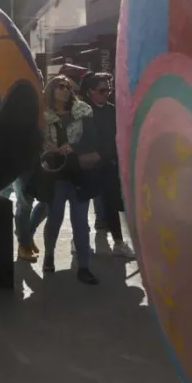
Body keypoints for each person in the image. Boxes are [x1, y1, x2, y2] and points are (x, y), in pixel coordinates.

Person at [34, 75, 101, 285]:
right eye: (60, 87)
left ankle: (84, 267)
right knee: (54, 218)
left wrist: (73, 147)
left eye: (68, 87)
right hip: (55, 173)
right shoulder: (44, 116)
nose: (65, 90)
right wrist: (46, 146)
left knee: (80, 222)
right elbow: (35, 140)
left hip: (78, 171)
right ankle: (49, 255)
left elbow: (92, 139)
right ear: (51, 91)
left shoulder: (83, 110)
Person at [80, 73, 136, 259]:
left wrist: (101, 155)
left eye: (108, 89)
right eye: (102, 90)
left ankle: (118, 242)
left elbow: (117, 139)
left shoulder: (113, 111)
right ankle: (80, 241)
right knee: (80, 203)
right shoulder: (81, 111)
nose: (107, 93)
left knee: (111, 201)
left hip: (107, 164)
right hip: (86, 167)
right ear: (90, 92)